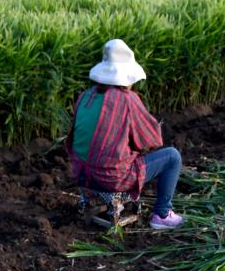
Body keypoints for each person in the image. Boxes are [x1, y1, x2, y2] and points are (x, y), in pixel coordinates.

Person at [68, 39, 183, 230]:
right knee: (172, 157)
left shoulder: (85, 96)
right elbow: (152, 140)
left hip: (82, 174)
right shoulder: (128, 100)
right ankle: (162, 215)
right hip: (111, 178)